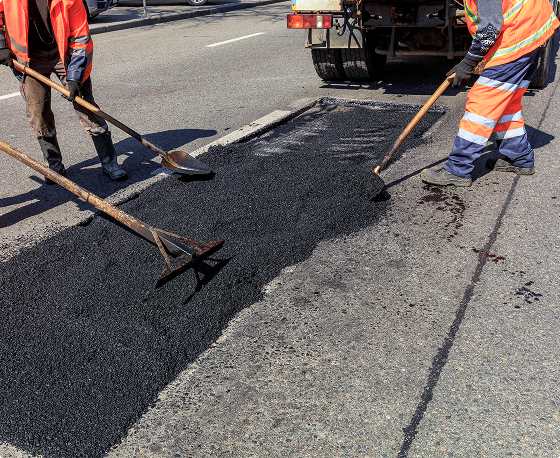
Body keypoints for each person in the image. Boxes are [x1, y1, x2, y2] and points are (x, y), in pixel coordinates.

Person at [420, 0, 559, 187]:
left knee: (482, 102)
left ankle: (458, 169)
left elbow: (489, 30)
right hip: (531, 28)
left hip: (518, 36)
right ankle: (520, 157)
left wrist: (468, 64)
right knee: (506, 103)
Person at [0, 0, 127, 182]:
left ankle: (109, 161)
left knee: (85, 106)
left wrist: (74, 77)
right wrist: (1, 45)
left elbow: (80, 36)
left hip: (64, 54)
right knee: (38, 111)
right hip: (30, 58)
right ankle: (54, 165)